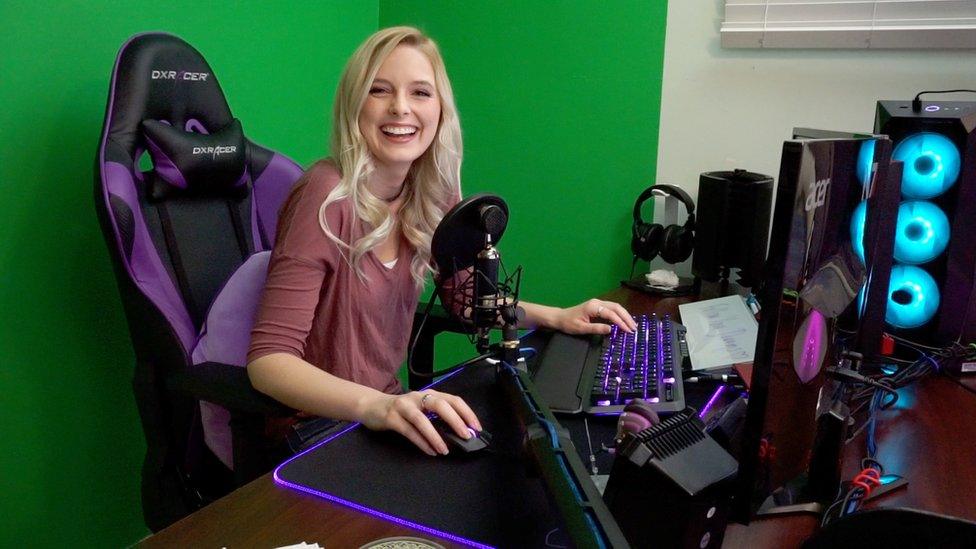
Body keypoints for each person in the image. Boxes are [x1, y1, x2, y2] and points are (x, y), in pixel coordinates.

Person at [246, 26, 635, 457]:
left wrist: (559, 317)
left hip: (387, 408)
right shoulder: (324, 195)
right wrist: (378, 405)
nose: (400, 108)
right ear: (353, 104)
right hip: (316, 427)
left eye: (420, 93)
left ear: (440, 109)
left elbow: (468, 300)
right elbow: (269, 362)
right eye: (379, 90)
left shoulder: (430, 196)